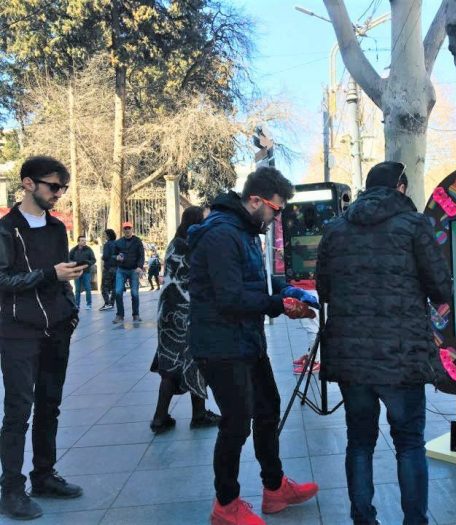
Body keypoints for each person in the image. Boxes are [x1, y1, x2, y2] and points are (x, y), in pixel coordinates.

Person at [315, 161, 452, 525]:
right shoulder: (414, 225)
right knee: (409, 443)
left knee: (359, 442)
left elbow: (323, 289)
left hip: (352, 357)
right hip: (401, 356)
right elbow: (441, 288)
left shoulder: (335, 229)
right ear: (401, 188)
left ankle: (363, 519)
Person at [189, 167, 320, 525]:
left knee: (267, 409)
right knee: (236, 423)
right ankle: (226, 504)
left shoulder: (246, 232)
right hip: (220, 344)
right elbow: (231, 297)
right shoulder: (221, 234)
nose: (277, 217)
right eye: (276, 210)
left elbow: (256, 282)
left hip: (246, 340)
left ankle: (274, 488)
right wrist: (280, 305)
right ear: (255, 200)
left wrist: (288, 291)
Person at [0, 156, 84, 520]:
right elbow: (3, 281)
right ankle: (11, 490)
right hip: (18, 331)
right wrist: (50, 274)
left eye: (63, 187)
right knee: (19, 410)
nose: (59, 193)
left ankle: (44, 475)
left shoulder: (56, 227)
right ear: (28, 184)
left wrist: (70, 309)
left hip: (56, 329)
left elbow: (61, 276)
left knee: (50, 405)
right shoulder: (6, 230)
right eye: (53, 186)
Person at [150, 206, 221, 434]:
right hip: (186, 312)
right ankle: (196, 415)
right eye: (205, 219)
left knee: (172, 364)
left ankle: (162, 417)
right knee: (194, 360)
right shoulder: (193, 245)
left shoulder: (175, 243)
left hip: (168, 311)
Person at [112, 221, 145, 323]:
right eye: (125, 228)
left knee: (134, 293)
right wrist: (116, 257)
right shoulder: (118, 242)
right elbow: (112, 255)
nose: (127, 230)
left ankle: (136, 315)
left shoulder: (137, 241)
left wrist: (139, 267)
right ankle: (120, 315)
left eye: (129, 228)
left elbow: (141, 255)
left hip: (134, 270)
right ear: (123, 230)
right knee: (118, 292)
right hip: (121, 270)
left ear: (132, 229)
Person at [68, 235, 96, 310]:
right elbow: (68, 259)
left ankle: (89, 304)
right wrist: (73, 263)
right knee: (77, 289)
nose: (84, 242)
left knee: (88, 288)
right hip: (76, 272)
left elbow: (93, 260)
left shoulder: (89, 249)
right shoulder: (73, 250)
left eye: (85, 240)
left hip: (86, 272)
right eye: (82, 240)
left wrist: (88, 263)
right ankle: (77, 304)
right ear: (78, 242)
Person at [99, 229, 117, 311]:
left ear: (108, 235)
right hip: (116, 268)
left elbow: (105, 256)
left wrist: (102, 257)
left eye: (105, 235)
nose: (104, 236)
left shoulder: (107, 244)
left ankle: (107, 303)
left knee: (104, 287)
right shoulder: (117, 243)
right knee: (114, 287)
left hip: (108, 268)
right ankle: (112, 303)